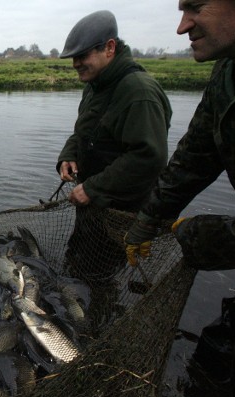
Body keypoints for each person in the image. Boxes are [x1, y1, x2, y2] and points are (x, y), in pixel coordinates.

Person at [124, 1, 235, 397]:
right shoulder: (227, 71)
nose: (181, 26)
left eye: (196, 7)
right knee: (213, 361)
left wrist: (197, 234)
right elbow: (193, 158)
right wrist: (145, 223)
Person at [55, 10, 172, 285]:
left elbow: (149, 157)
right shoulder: (95, 85)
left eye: (82, 55)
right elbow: (84, 131)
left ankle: (97, 322)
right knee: (77, 267)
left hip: (118, 214)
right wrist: (69, 155)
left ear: (109, 47)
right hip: (92, 206)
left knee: (99, 279)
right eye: (73, 57)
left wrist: (94, 188)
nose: (75, 64)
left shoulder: (138, 92)